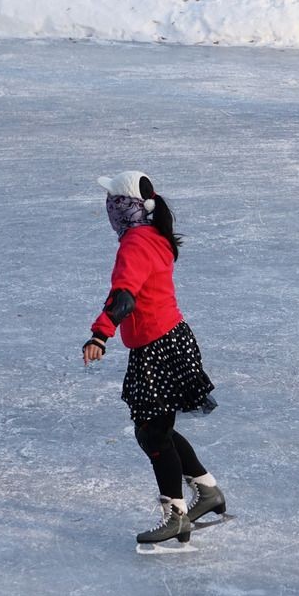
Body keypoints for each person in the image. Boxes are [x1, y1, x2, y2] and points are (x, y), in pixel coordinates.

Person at [82, 170, 226, 546]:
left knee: (153, 433)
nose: (107, 209)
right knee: (154, 430)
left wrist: (100, 334)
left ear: (123, 206)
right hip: (170, 338)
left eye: (111, 201)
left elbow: (124, 296)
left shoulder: (135, 243)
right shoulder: (153, 235)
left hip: (158, 346)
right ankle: (207, 491)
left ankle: (175, 515)